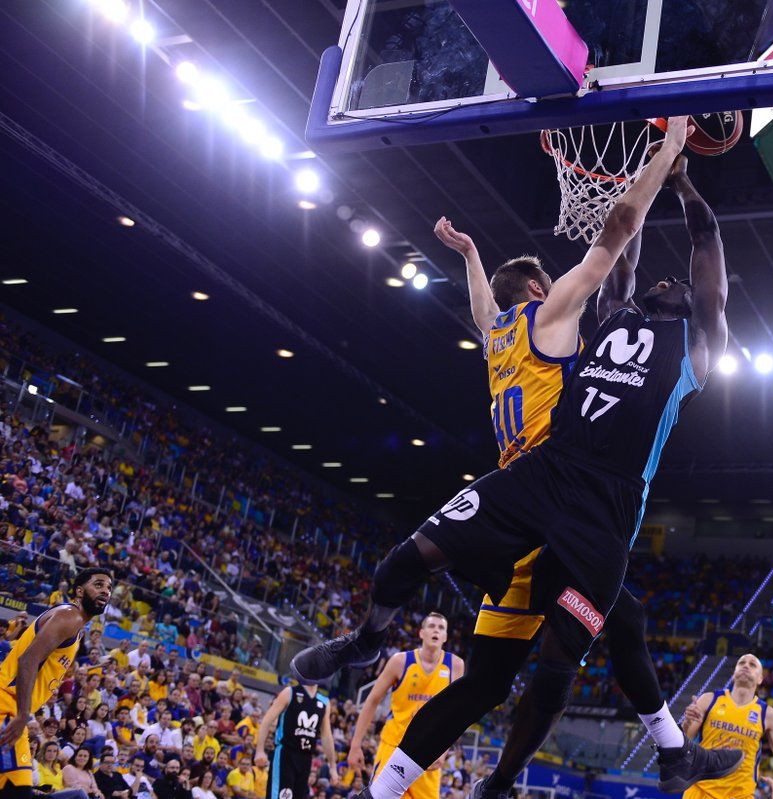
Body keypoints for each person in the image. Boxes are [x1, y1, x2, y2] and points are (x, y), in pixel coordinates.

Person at [295, 116, 733, 799]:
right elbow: (621, 246)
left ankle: (522, 779)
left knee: (575, 654)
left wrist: (679, 178)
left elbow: (701, 250)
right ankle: (369, 658)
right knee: (437, 594)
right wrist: (656, 162)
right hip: (540, 477)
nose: (671, 279)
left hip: (604, 505)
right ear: (537, 290)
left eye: (679, 284)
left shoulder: (696, 346)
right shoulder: (601, 315)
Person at [0, 568, 113, 799]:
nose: (106, 591)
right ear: (79, 591)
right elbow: (28, 660)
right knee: (17, 792)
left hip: (12, 708)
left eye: (109, 588)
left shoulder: (76, 627)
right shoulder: (69, 616)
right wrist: (23, 714)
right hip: (6, 707)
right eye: (99, 584)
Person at [347, 613, 462, 799]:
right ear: (421, 633)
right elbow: (372, 700)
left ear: (445, 637)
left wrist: (444, 751)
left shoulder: (455, 665)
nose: (436, 630)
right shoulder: (400, 661)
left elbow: (455, 716)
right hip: (394, 747)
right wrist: (355, 745)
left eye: (441, 628)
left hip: (428, 754)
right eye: (431, 626)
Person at [681, 654, 773, 799]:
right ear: (734, 674)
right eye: (741, 663)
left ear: (760, 679)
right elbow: (684, 741)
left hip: (740, 795)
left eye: (752, 665)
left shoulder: (768, 714)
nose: (746, 666)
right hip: (700, 791)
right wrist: (687, 722)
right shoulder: (709, 699)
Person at [253, 682, 335, 799]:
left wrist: (333, 766)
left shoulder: (324, 701)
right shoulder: (289, 692)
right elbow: (266, 721)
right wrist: (260, 750)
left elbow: (327, 736)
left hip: (306, 758)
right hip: (285, 754)